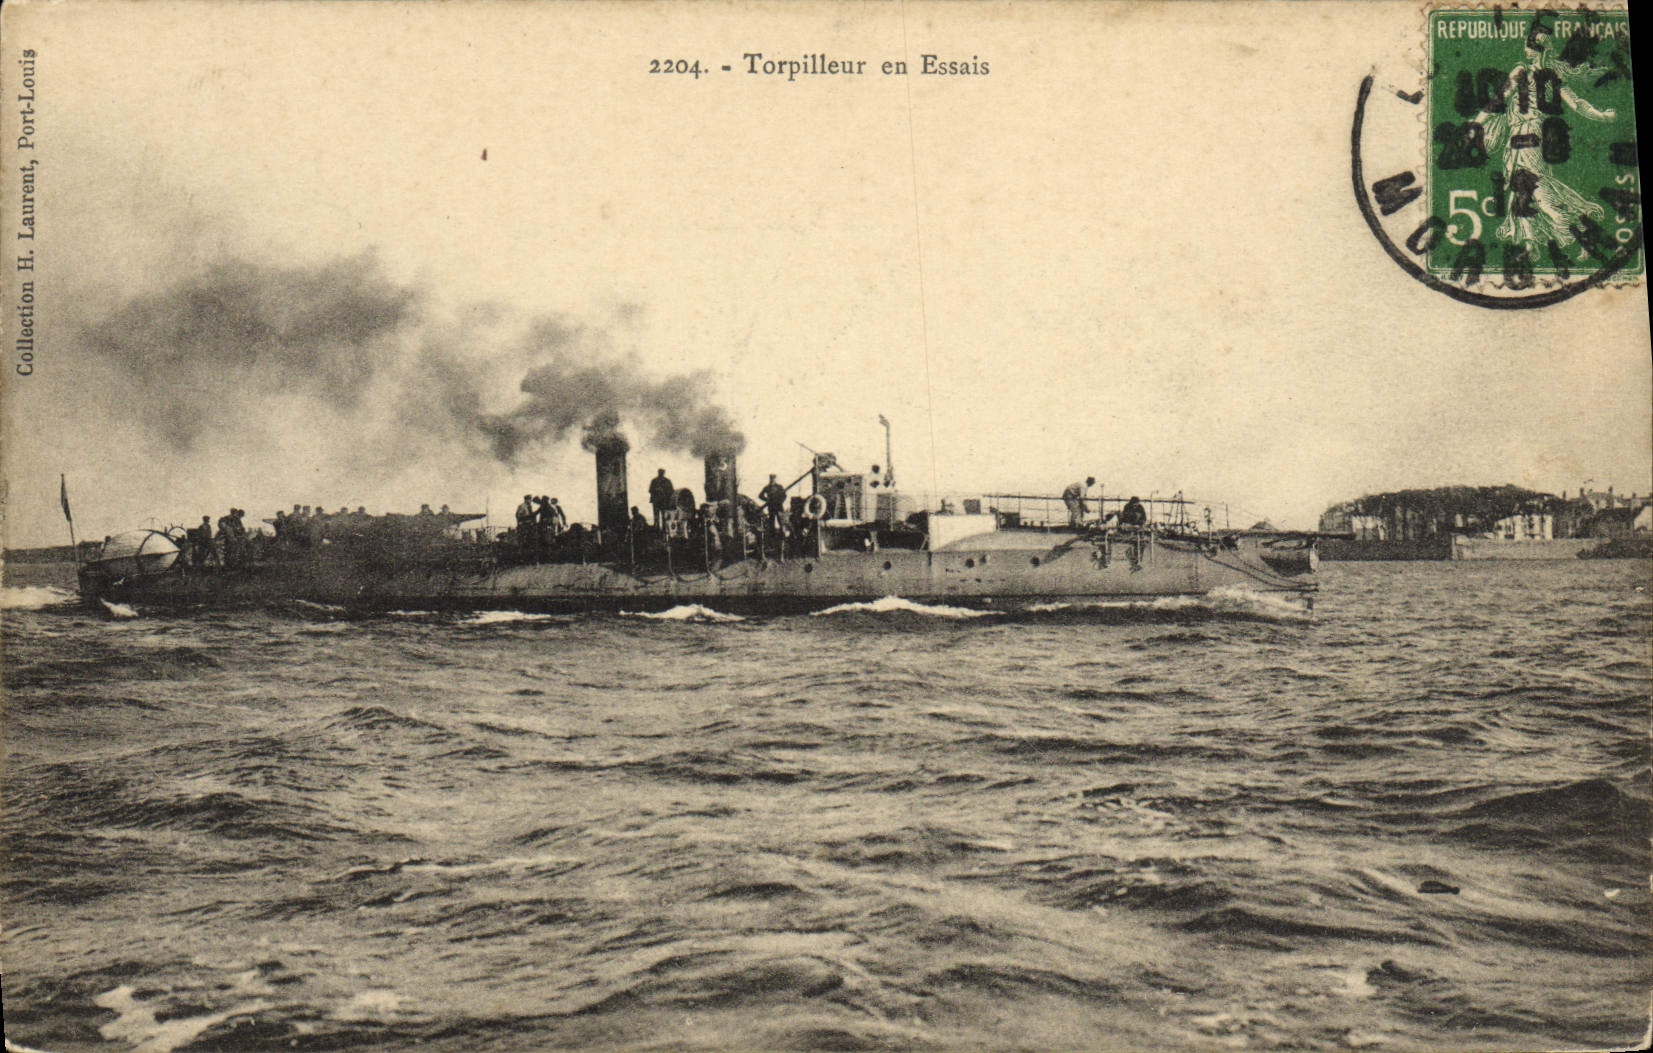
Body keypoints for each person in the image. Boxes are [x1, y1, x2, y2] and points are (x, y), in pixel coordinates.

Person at [515, 493, 537, 561]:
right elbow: (518, 515)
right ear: (526, 499)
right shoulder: (522, 506)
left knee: (530, 541)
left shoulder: (529, 506)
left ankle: (529, 557)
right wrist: (526, 518)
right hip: (524, 526)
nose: (530, 501)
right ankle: (522, 558)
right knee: (524, 541)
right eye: (530, 499)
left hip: (530, 525)